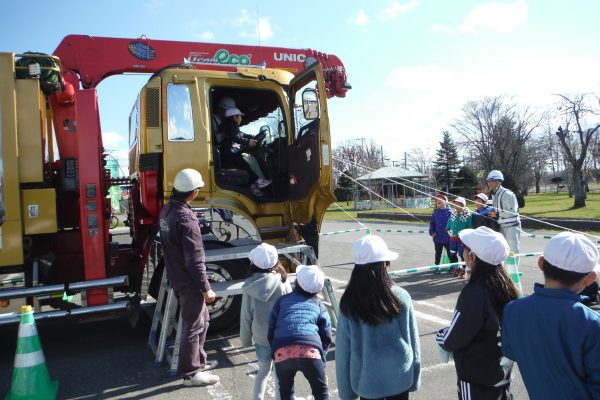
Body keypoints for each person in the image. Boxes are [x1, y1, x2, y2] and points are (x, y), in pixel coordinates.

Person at [501, 232, 600, 400]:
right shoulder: (591, 322)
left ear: (541, 263)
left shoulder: (513, 309)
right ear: (590, 278)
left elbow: (510, 351)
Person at [436, 226, 519, 400]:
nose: (462, 252)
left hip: (476, 378)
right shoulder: (508, 287)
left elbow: (453, 338)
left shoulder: (474, 292)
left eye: (464, 249)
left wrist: (440, 336)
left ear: (473, 257)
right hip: (502, 371)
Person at [336, 235, 421, 400]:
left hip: (367, 383)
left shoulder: (349, 302)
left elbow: (343, 352)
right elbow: (413, 340)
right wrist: (415, 378)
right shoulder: (401, 296)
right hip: (400, 378)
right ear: (386, 264)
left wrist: (346, 393)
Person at [158, 169, 220, 386]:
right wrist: (206, 288)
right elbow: (194, 260)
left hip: (177, 276)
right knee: (193, 325)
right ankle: (191, 373)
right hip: (189, 282)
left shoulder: (167, 210)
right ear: (193, 192)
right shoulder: (186, 218)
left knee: (203, 320)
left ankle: (197, 362)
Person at [268, 264, 332, 400]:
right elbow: (326, 335)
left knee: (286, 392)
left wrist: (275, 351)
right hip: (310, 350)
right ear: (319, 289)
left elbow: (271, 329)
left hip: (282, 349)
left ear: (297, 282)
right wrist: (322, 358)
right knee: (321, 393)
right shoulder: (319, 306)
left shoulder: (282, 301)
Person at [240, 243, 292, 400]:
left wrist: (245, 339)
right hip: (281, 338)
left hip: (261, 338)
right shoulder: (283, 281)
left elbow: (246, 316)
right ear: (276, 261)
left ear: (253, 263)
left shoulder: (249, 286)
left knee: (262, 373)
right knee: (280, 376)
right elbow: (289, 311)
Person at [221, 107, 271, 196]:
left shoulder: (233, 127)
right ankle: (258, 182)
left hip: (231, 153)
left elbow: (242, 134)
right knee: (246, 166)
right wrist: (248, 141)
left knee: (246, 165)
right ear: (234, 117)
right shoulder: (229, 127)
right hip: (229, 155)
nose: (241, 118)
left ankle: (252, 187)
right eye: (240, 116)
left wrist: (252, 137)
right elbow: (235, 138)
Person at [485, 170, 520, 254]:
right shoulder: (494, 195)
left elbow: (511, 213)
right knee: (504, 250)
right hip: (501, 226)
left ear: (498, 182)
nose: (488, 183)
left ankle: (513, 268)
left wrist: (496, 214)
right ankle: (505, 267)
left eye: (491, 181)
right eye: (488, 181)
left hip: (511, 227)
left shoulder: (507, 194)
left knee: (512, 251)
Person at [446, 197, 473, 277]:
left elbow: (470, 228)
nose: (455, 206)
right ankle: (456, 268)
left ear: (463, 205)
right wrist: (448, 230)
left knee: (462, 255)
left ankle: (464, 270)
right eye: (455, 204)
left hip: (462, 240)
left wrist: (465, 235)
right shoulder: (453, 214)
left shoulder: (468, 216)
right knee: (452, 254)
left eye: (458, 204)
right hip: (452, 238)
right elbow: (448, 224)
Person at [429, 194, 456, 266]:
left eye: (441, 199)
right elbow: (432, 223)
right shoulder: (435, 213)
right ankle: (437, 265)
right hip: (437, 237)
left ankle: (452, 266)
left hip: (448, 237)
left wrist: (452, 233)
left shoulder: (450, 212)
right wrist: (432, 232)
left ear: (446, 202)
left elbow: (453, 224)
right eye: (437, 200)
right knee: (438, 252)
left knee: (450, 252)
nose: (439, 201)